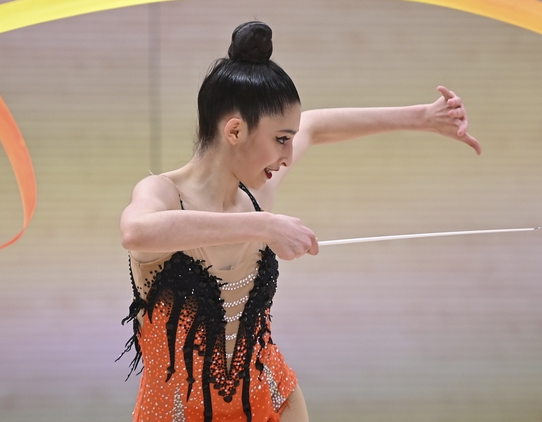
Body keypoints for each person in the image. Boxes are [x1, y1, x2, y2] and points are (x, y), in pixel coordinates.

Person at [119, 21, 481, 422]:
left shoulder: (257, 198)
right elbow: (136, 231)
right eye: (280, 139)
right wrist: (264, 227)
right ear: (235, 130)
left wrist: (423, 117)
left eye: (290, 140)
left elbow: (316, 125)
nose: (289, 155)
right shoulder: (164, 193)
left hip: (273, 402)